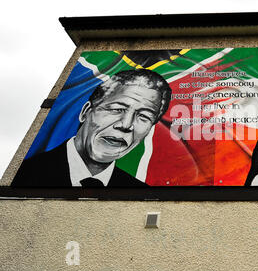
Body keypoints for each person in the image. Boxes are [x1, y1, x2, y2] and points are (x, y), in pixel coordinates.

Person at [12, 69, 172, 187]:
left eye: (143, 117)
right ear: (85, 112)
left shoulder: (138, 192)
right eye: (117, 109)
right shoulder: (23, 174)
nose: (125, 125)